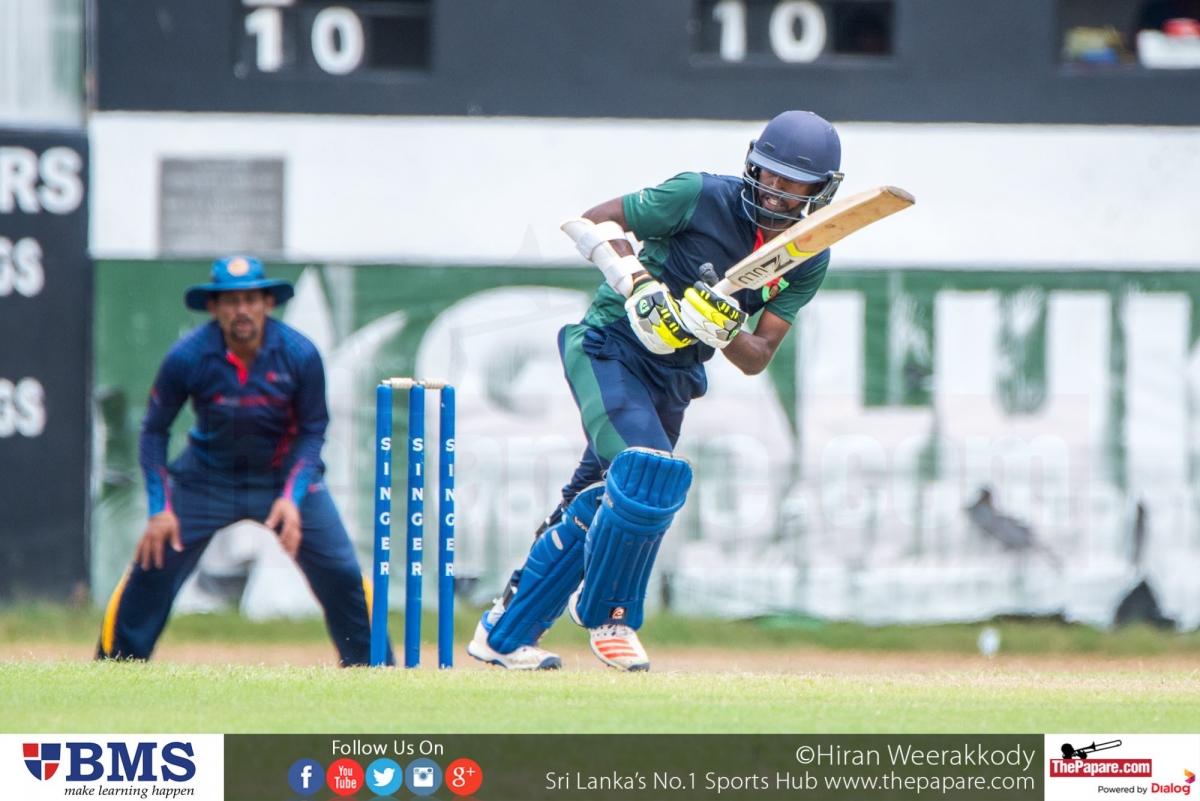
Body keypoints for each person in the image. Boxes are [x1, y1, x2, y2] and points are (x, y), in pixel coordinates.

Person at [467, 110, 842, 671]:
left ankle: (503, 633)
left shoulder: (809, 254)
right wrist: (639, 284)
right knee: (647, 474)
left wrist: (723, 329)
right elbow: (595, 221)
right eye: (771, 173)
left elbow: (759, 355)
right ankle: (611, 616)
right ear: (752, 164)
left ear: (820, 192)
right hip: (610, 346)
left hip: (675, 378)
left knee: (599, 499)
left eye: (796, 184)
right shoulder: (699, 195)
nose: (777, 189)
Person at [96, 256, 389, 667]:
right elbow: (154, 431)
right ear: (213, 307)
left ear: (268, 302)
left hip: (283, 481)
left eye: (250, 299)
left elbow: (312, 431)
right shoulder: (189, 356)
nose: (242, 310)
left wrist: (292, 497)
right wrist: (160, 509)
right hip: (206, 480)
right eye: (231, 301)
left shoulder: (299, 354)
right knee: (151, 566)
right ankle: (115, 668)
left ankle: (374, 670)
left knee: (342, 573)